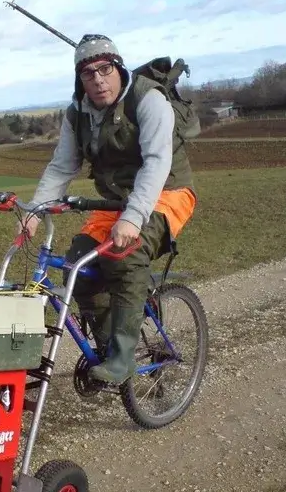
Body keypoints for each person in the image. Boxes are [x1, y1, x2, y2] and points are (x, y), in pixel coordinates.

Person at [16, 34, 196, 385]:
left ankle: (123, 357)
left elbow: (157, 162)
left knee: (125, 254)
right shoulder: (77, 112)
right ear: (79, 79)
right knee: (76, 268)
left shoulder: (148, 99)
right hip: (115, 200)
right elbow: (62, 166)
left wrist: (133, 216)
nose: (98, 80)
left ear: (119, 68)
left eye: (106, 69)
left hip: (167, 191)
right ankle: (107, 346)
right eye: (88, 74)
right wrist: (35, 210)